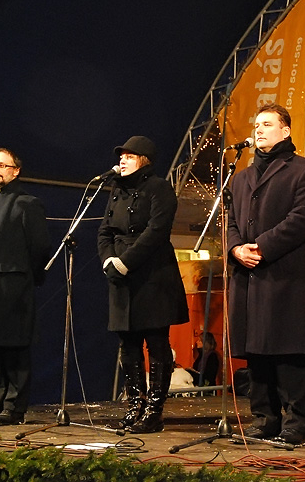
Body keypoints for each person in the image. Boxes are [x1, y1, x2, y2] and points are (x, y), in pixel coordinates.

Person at [227, 102, 305, 447]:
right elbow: (232, 222)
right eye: (256, 124)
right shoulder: (240, 178)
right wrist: (236, 249)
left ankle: (296, 422)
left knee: (288, 351)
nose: (259, 129)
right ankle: (264, 419)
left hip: (282, 274)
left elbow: (302, 219)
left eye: (267, 124)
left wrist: (261, 247)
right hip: (247, 275)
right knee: (255, 351)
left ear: (285, 131)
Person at [97, 136, 189, 434]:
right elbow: (105, 231)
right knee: (128, 342)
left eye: (129, 156)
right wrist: (108, 260)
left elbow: (157, 231)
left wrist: (126, 262)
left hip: (151, 273)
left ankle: (154, 411)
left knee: (156, 341)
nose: (122, 160)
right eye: (121, 156)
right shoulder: (116, 189)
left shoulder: (159, 188)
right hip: (120, 272)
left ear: (143, 160)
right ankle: (134, 405)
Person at [0, 148, 51, 425]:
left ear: (16, 171)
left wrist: (28, 277)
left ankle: (14, 406)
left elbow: (40, 248)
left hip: (13, 287)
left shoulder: (27, 203)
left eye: (2, 165)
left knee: (14, 348)